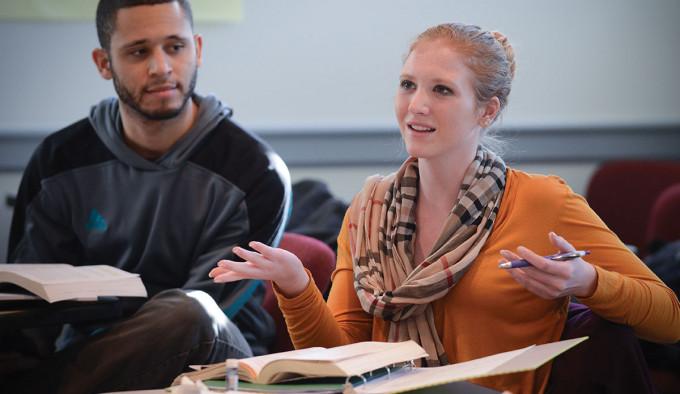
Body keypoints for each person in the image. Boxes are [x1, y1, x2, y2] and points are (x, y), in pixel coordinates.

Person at [209, 23, 680, 393]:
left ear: (487, 111)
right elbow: (343, 362)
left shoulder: (543, 201)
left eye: (442, 90)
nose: (416, 105)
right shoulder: (369, 208)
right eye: (408, 84)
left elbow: (670, 319)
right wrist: (295, 285)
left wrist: (589, 282)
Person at [2, 0, 290, 393]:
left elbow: (209, 309)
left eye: (175, 47)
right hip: (86, 360)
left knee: (191, 314)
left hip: (218, 364)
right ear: (104, 63)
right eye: (139, 51)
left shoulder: (255, 170)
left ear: (198, 49)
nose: (161, 67)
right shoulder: (59, 160)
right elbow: (26, 303)